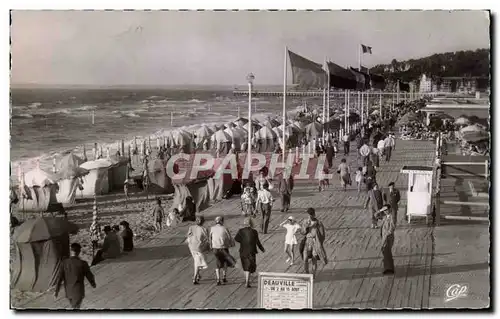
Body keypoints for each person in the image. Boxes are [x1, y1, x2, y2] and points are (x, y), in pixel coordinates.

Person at [55, 243, 96, 309]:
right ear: (79, 252)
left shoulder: (64, 263)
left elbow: (59, 277)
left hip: (69, 293)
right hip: (78, 292)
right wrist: (93, 283)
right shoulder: (83, 263)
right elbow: (89, 275)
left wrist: (56, 290)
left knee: (74, 307)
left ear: (71, 250)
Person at [234, 217, 265, 288]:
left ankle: (247, 280)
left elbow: (236, 239)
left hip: (243, 251)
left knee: (245, 266)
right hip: (252, 251)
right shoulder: (254, 231)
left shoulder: (240, 231)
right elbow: (258, 242)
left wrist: (243, 241)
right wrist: (262, 249)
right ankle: (247, 281)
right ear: (251, 224)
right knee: (249, 266)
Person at [299, 208, 327, 277]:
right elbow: (302, 232)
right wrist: (306, 227)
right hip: (307, 242)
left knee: (314, 259)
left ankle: (313, 274)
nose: (309, 216)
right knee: (305, 258)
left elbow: (322, 235)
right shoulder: (305, 222)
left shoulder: (319, 223)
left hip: (315, 242)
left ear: (313, 215)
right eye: (308, 215)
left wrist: (319, 243)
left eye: (310, 215)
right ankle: (307, 273)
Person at [209, 216, 236, 285]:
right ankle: (224, 277)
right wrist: (231, 244)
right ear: (222, 221)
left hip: (215, 248)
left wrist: (211, 246)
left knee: (217, 263)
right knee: (225, 263)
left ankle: (218, 280)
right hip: (223, 248)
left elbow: (210, 238)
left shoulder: (212, 228)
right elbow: (230, 237)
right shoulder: (224, 228)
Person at [187, 215, 210, 285]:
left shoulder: (191, 227)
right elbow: (208, 239)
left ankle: (198, 275)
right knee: (198, 262)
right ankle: (194, 278)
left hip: (191, 247)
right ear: (203, 222)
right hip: (199, 248)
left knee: (197, 261)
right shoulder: (204, 229)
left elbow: (188, 236)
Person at [375, 205, 396, 275]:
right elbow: (376, 216)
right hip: (384, 236)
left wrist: (387, 235)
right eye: (384, 210)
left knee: (386, 251)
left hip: (388, 237)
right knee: (386, 252)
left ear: (390, 209)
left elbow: (392, 228)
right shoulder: (385, 217)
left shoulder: (392, 217)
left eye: (386, 210)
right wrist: (380, 210)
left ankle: (388, 268)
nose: (385, 211)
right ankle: (389, 267)